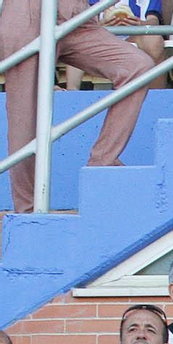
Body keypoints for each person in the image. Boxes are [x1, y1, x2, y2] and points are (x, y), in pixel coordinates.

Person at [0, 0, 154, 215]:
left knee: (138, 66)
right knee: (24, 119)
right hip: (28, 12)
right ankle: (27, 211)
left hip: (77, 14)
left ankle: (102, 160)